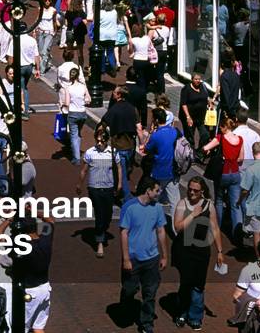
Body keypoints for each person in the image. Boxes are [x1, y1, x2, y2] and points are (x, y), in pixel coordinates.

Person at [172, 176, 224, 330]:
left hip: (201, 250)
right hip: (184, 250)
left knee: (199, 284)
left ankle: (195, 316)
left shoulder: (209, 205)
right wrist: (193, 215)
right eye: (190, 189)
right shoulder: (182, 204)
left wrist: (220, 251)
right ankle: (182, 312)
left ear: (202, 192)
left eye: (195, 190)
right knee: (186, 282)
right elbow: (178, 227)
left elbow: (215, 228)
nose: (192, 193)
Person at [119, 176, 168, 333]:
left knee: (150, 293)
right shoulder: (129, 207)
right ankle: (125, 308)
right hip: (133, 259)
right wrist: (126, 258)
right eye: (157, 190)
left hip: (151, 258)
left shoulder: (157, 208)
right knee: (129, 289)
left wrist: (164, 255)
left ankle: (147, 324)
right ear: (148, 191)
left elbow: (161, 231)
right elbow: (124, 233)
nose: (159, 193)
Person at [77, 124, 119, 257]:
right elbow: (84, 170)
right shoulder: (90, 152)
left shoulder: (112, 152)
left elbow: (118, 168)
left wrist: (119, 184)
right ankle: (99, 242)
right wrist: (79, 184)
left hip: (108, 187)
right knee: (100, 214)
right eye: (98, 140)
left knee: (108, 214)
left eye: (102, 141)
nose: (99, 143)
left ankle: (102, 230)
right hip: (94, 187)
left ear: (107, 140)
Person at [202, 114, 244, 239]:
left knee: (219, 200)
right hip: (235, 173)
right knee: (235, 204)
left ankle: (217, 227)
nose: (220, 129)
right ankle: (237, 232)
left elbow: (205, 148)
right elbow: (241, 158)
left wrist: (208, 150)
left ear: (225, 127)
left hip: (223, 173)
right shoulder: (240, 139)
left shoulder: (220, 138)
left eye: (221, 127)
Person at [104, 86, 144, 200]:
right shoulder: (133, 109)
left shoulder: (114, 109)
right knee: (126, 170)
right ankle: (120, 190)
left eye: (115, 92)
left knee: (121, 172)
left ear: (119, 95)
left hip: (118, 145)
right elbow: (139, 128)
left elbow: (104, 123)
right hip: (131, 145)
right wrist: (142, 144)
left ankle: (125, 196)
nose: (113, 93)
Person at [142, 107, 180, 214]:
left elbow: (147, 149)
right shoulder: (176, 132)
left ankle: (151, 220)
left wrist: (151, 132)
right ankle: (176, 222)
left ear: (157, 120)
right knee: (175, 202)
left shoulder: (156, 135)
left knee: (153, 199)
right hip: (174, 171)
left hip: (159, 171)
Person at [179, 73, 212, 156]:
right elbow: (183, 104)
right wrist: (188, 117)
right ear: (192, 79)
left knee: (205, 134)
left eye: (199, 79)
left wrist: (209, 102)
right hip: (190, 117)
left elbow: (206, 96)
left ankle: (199, 152)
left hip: (201, 117)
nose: (198, 81)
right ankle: (190, 154)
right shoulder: (186, 89)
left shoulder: (202, 86)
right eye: (196, 79)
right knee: (190, 137)